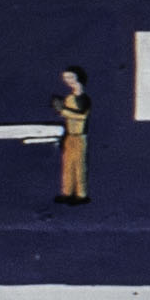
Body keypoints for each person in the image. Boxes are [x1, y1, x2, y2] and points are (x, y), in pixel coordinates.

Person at [54, 66, 91, 206]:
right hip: (69, 134)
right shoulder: (69, 97)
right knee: (68, 165)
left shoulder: (84, 99)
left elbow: (82, 116)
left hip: (80, 136)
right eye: (66, 78)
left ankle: (81, 194)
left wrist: (63, 111)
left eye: (71, 77)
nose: (68, 81)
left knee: (79, 165)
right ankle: (67, 192)